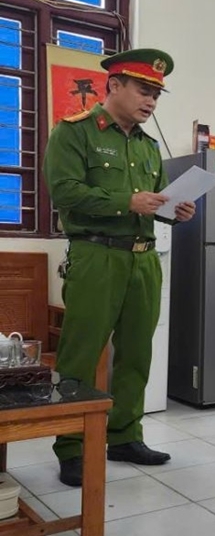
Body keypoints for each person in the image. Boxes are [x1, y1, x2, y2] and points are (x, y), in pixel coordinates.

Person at [43, 48, 196, 487]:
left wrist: (175, 211)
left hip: (144, 259)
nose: (151, 101)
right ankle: (72, 446)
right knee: (80, 354)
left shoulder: (148, 147)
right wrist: (126, 201)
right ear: (114, 85)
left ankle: (125, 436)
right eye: (144, 91)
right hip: (96, 256)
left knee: (137, 352)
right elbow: (64, 191)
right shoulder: (74, 132)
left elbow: (156, 201)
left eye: (157, 95)